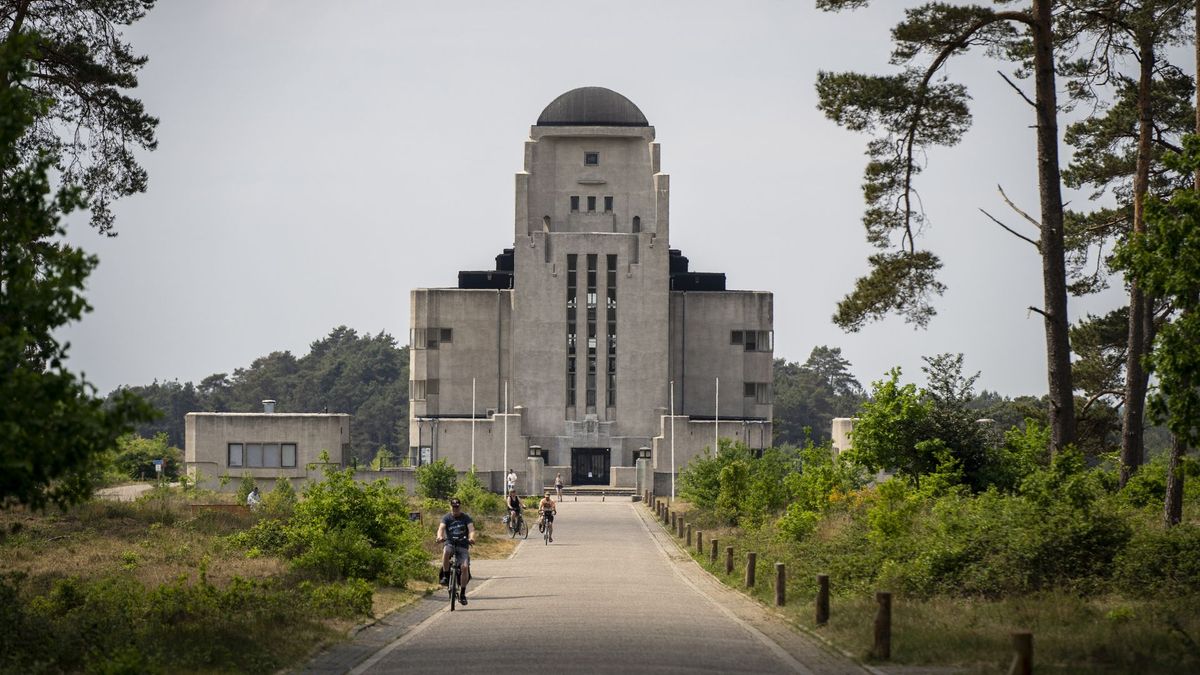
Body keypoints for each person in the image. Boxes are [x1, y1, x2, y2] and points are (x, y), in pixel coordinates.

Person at [436, 498, 476, 605]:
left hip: (463, 545)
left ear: (460, 507)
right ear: (451, 507)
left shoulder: (466, 517)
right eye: (454, 507)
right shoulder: (446, 517)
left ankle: (462, 593)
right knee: (446, 551)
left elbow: (471, 529)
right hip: (450, 543)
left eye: (457, 507)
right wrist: (440, 537)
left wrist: (471, 538)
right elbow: (441, 528)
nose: (455, 509)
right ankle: (445, 576)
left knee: (465, 567)